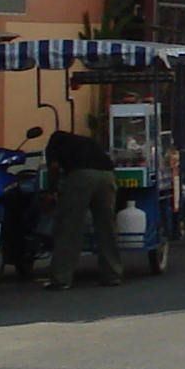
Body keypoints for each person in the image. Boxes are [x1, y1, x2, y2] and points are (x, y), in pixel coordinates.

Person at [42, 121, 123, 288]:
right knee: (106, 227)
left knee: (69, 228)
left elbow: (54, 167)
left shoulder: (54, 142)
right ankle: (112, 274)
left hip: (81, 177)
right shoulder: (86, 141)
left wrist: (52, 191)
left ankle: (61, 278)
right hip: (107, 177)